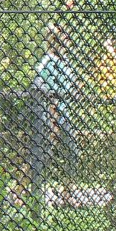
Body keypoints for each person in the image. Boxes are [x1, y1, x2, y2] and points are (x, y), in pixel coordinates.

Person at [29, 24, 80, 206]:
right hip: (47, 114)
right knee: (41, 153)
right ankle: (29, 193)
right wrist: (52, 112)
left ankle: (67, 194)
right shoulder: (47, 61)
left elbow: (73, 87)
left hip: (64, 114)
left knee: (71, 152)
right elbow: (38, 86)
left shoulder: (67, 63)